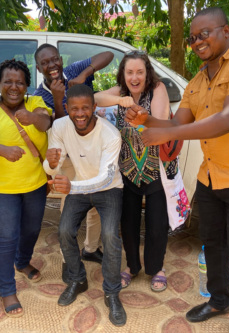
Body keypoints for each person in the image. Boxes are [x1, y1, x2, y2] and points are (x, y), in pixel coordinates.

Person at [125, 7, 229, 333]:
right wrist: (146, 120)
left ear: (225, 31)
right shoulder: (196, 81)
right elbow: (177, 123)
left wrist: (166, 132)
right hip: (211, 176)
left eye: (204, 33)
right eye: (192, 37)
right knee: (213, 243)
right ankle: (219, 300)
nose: (197, 41)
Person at [44, 84, 126, 327]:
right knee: (65, 231)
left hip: (108, 189)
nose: (80, 114)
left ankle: (112, 293)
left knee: (111, 236)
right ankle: (78, 279)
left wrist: (73, 187)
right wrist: (50, 164)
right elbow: (53, 169)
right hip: (79, 185)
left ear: (95, 107)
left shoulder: (110, 134)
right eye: (74, 108)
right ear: (67, 108)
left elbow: (106, 177)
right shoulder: (59, 126)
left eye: (85, 108)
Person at [94, 50, 177, 292]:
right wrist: (120, 100)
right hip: (127, 170)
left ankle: (157, 268)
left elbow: (161, 121)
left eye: (139, 72)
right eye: (129, 72)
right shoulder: (121, 91)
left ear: (147, 73)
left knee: (156, 223)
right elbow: (95, 98)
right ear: (123, 73)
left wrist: (143, 117)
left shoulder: (157, 89)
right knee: (128, 223)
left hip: (155, 169)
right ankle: (131, 267)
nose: (134, 77)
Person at [0, 59, 52, 317]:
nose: (13, 86)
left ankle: (22, 262)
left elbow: (45, 123)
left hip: (35, 183)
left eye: (19, 82)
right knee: (5, 237)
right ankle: (6, 290)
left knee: (31, 230)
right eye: (7, 81)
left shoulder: (36, 103)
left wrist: (31, 117)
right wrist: (2, 150)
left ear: (27, 86)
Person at [34, 44, 114, 266]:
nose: (52, 65)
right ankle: (67, 259)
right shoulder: (40, 95)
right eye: (45, 63)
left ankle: (90, 248)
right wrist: (60, 99)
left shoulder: (72, 71)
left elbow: (108, 54)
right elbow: (60, 126)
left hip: (92, 149)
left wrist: (83, 75)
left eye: (54, 59)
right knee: (70, 207)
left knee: (96, 202)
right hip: (66, 157)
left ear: (60, 59)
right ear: (39, 68)